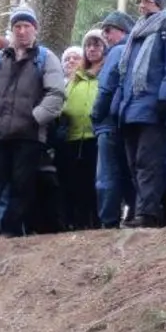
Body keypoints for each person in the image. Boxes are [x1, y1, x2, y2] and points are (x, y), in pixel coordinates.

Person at [94, 0, 166, 228]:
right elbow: (123, 76)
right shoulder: (135, 35)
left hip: (154, 109)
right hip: (129, 111)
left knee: (150, 162)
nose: (142, 5)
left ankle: (148, 213)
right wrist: (116, 108)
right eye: (140, 1)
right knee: (134, 163)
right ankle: (141, 210)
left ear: (159, 2)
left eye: (147, 0)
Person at [0, 6, 67, 238]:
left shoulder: (46, 58)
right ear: (12, 30)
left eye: (27, 26)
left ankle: (11, 231)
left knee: (21, 186)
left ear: (35, 30)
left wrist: (35, 118)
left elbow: (56, 94)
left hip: (29, 135)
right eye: (17, 27)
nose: (22, 31)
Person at [91, 11, 136, 228]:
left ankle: (108, 221)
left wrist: (96, 114)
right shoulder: (138, 49)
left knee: (107, 175)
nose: (105, 35)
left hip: (109, 122)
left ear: (122, 30)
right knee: (129, 172)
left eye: (108, 30)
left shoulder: (118, 51)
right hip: (128, 120)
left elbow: (106, 87)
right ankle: (133, 214)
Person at [58, 32, 106, 229]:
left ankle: (96, 223)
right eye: (88, 46)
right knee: (74, 183)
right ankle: (76, 223)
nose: (92, 49)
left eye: (96, 45)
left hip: (96, 135)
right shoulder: (75, 77)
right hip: (72, 136)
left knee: (95, 182)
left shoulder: (107, 72)